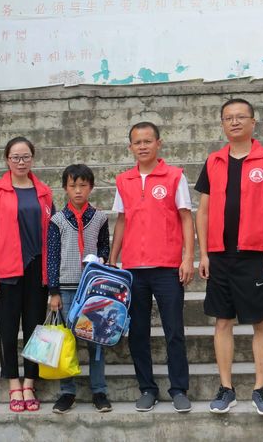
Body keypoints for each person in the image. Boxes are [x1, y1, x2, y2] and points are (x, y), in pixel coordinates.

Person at [195, 98, 263, 416]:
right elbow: (204, 211)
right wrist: (204, 253)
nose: (234, 122)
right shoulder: (213, 162)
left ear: (253, 122)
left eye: (240, 117)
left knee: (260, 321)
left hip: (256, 255)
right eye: (228, 118)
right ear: (222, 124)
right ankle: (226, 388)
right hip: (221, 256)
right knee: (222, 321)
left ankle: (260, 389)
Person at [108, 122, 195, 413]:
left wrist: (187, 257)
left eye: (148, 140)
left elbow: (186, 217)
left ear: (159, 143)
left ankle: (179, 388)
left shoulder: (174, 176)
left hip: (168, 266)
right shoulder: (124, 180)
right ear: (130, 147)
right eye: (137, 142)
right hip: (133, 268)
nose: (142, 146)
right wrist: (112, 259)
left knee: (174, 331)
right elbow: (121, 220)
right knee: (138, 332)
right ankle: (147, 388)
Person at [0, 136, 53, 412]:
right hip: (6, 268)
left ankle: (30, 382)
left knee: (35, 328)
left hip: (37, 269)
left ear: (32, 159)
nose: (21, 162)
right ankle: (13, 383)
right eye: (15, 158)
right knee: (8, 329)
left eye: (25, 157)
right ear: (7, 160)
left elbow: (52, 233)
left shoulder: (43, 191)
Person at [47, 164, 112, 414]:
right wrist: (53, 291)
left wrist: (102, 260)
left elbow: (105, 248)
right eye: (73, 185)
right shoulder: (57, 220)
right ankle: (67, 392)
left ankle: (99, 390)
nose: (78, 190)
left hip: (93, 290)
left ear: (91, 187)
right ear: (65, 188)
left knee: (96, 342)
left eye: (83, 185)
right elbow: (52, 257)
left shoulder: (100, 218)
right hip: (65, 289)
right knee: (68, 342)